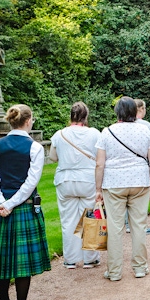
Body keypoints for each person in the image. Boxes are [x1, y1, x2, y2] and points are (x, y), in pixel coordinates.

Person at [0, 104, 49, 300]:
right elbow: (31, 183)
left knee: (4, 255)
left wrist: (2, 203)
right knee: (22, 260)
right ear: (29, 121)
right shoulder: (35, 148)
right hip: (22, 206)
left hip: (2, 208)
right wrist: (10, 204)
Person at [95, 97, 150, 281]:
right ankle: (140, 267)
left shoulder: (107, 132)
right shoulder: (144, 130)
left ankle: (114, 271)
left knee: (115, 227)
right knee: (139, 225)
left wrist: (98, 188)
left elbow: (100, 164)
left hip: (114, 183)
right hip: (139, 180)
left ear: (117, 112)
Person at [49, 102, 101, 270]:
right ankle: (90, 259)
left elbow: (53, 158)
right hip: (88, 179)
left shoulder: (59, 134)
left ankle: (70, 260)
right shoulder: (94, 133)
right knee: (91, 218)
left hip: (65, 180)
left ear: (71, 115)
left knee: (68, 220)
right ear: (86, 116)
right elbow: (100, 156)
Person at [132, 99, 150, 234]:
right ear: (141, 109)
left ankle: (128, 224)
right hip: (142, 164)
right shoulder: (146, 125)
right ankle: (140, 224)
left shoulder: (121, 124)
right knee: (140, 197)